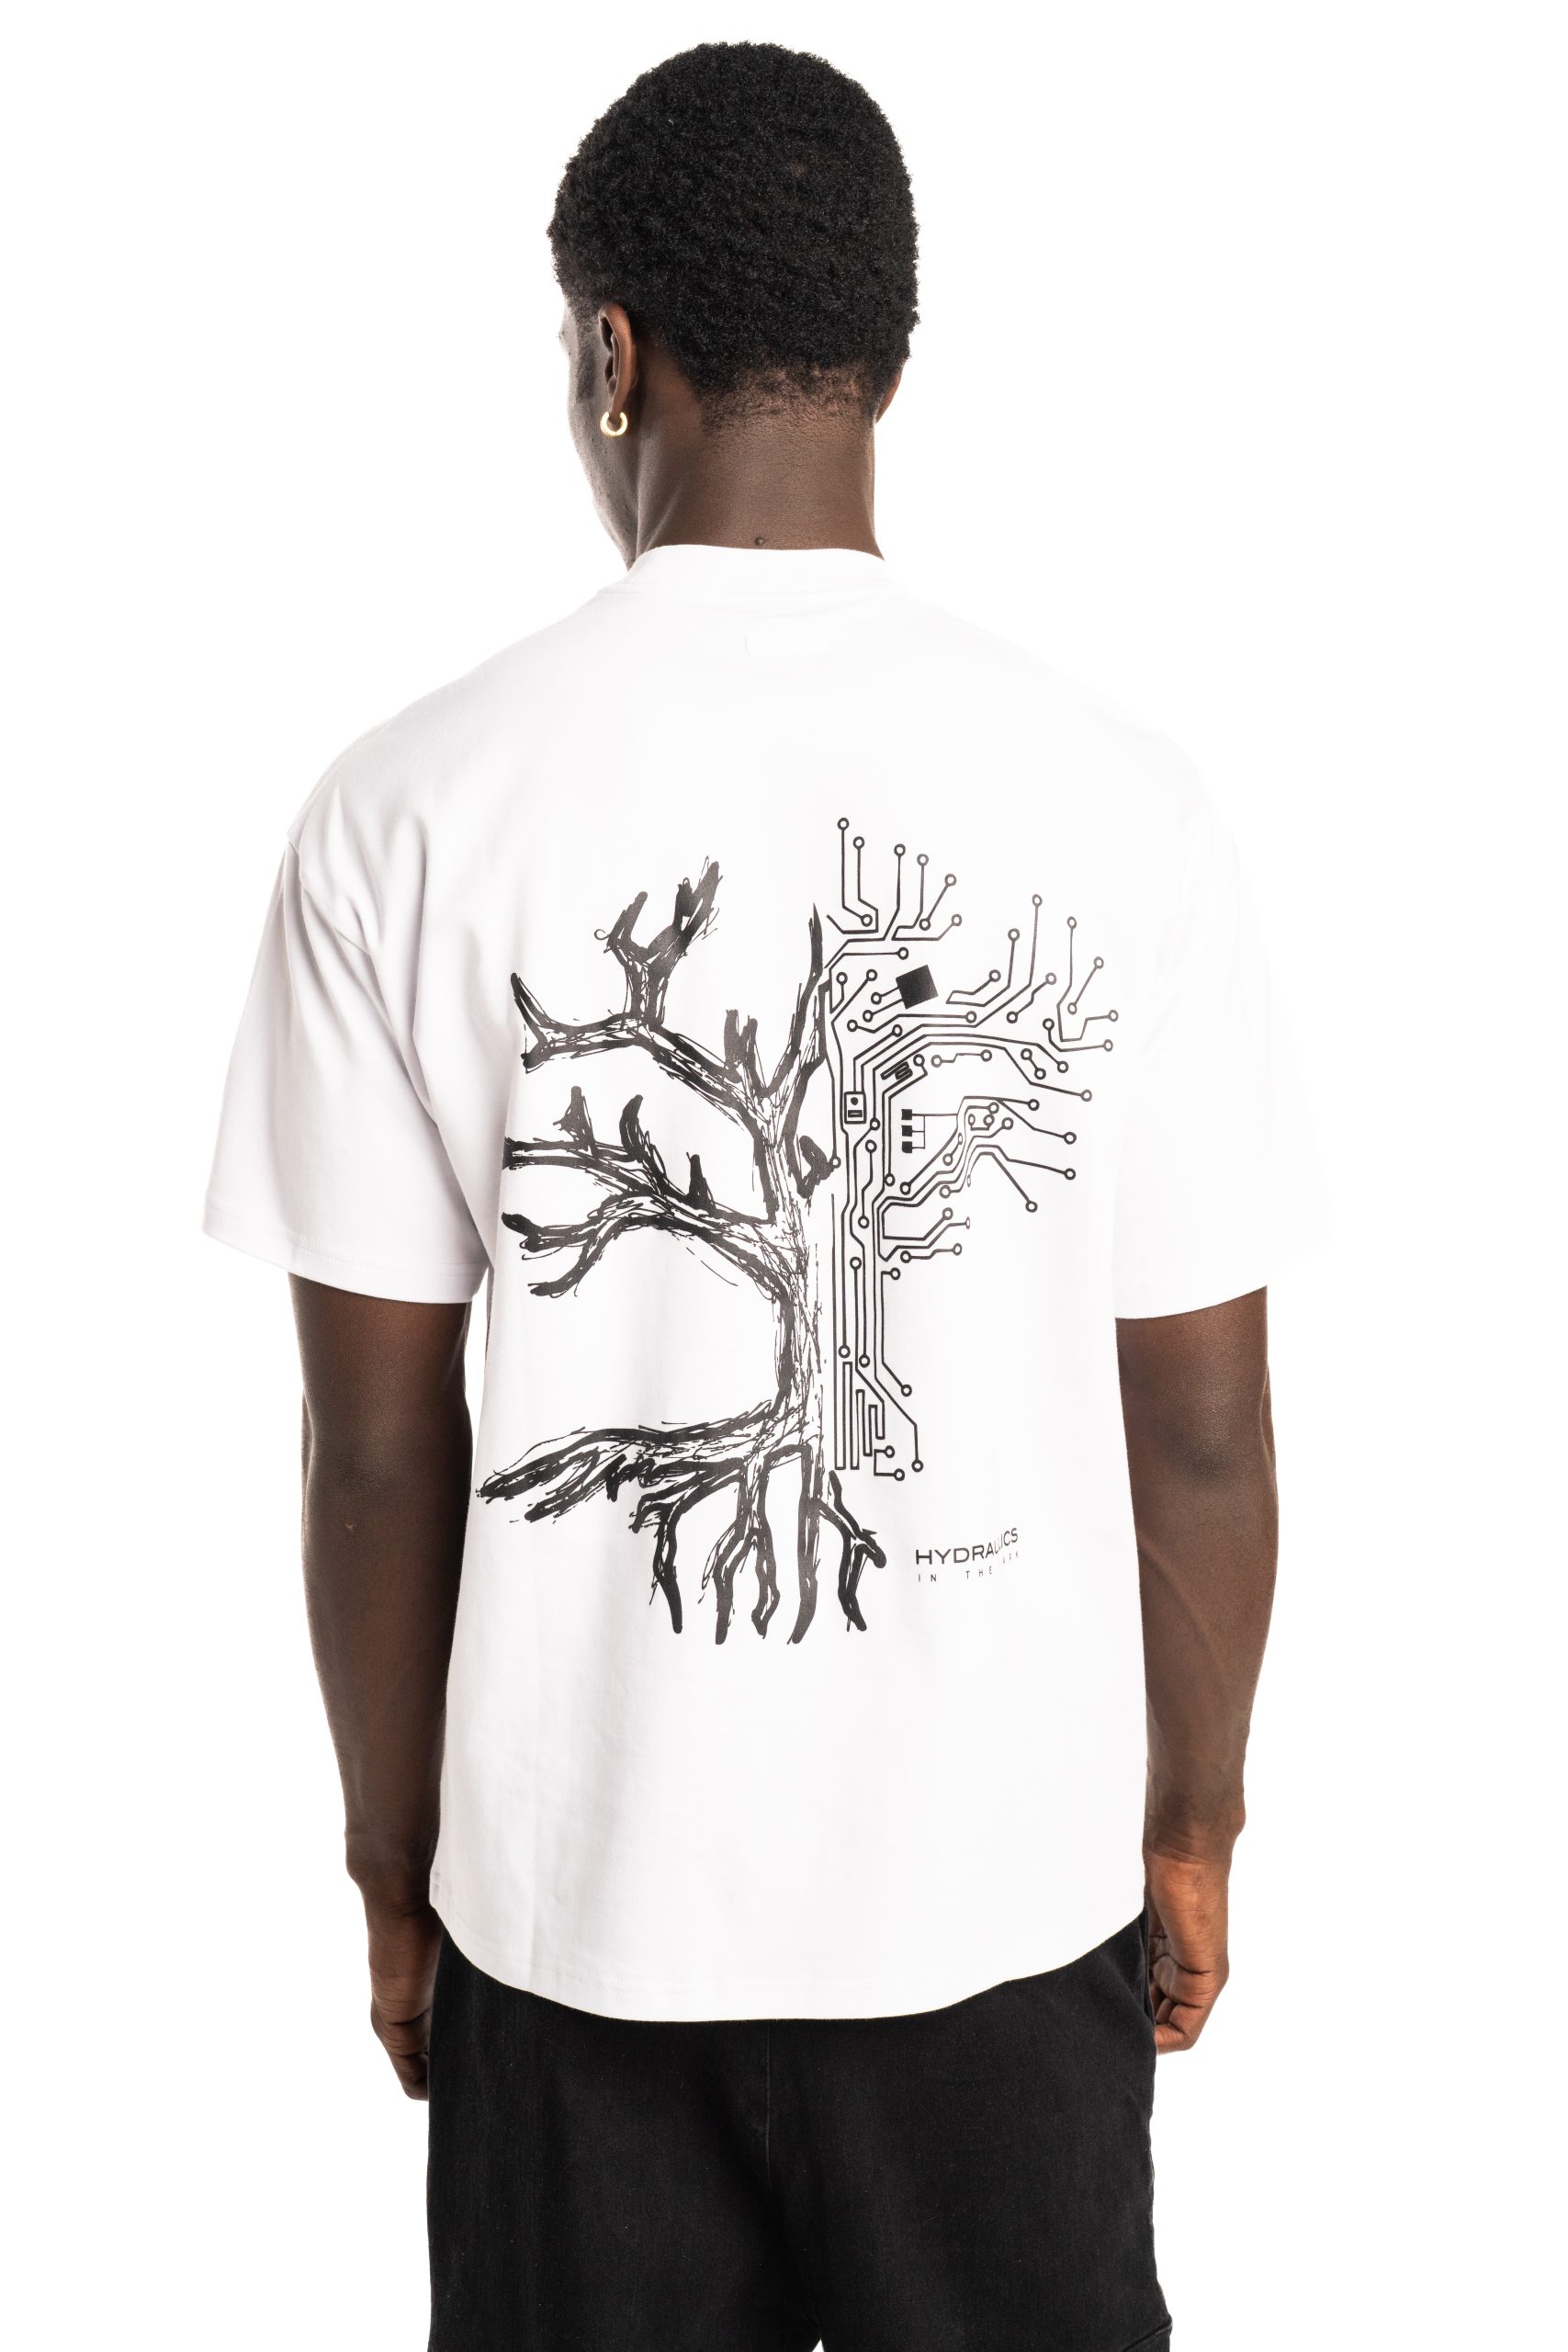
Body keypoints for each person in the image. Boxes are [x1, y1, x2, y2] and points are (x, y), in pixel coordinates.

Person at [206, 40, 1319, 2351]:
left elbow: (376, 1446)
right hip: (1001, 1927)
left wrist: (393, 1862)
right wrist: (1191, 1820)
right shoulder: (1127, 807)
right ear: (887, 357)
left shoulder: (403, 807)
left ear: (612, 353)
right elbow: (1201, 1426)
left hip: (573, 1932)